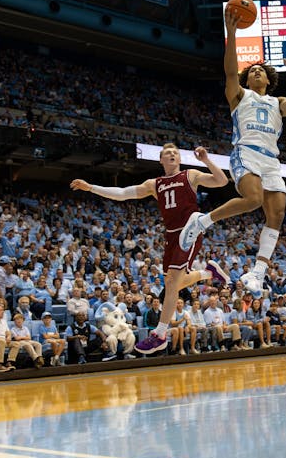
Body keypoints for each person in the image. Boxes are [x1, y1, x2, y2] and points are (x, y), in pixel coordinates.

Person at [178, 7, 286, 296]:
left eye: (261, 70)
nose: (256, 71)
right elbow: (230, 70)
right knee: (253, 199)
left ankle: (257, 273)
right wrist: (231, 34)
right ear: (248, 80)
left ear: (269, 81)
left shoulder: (277, 102)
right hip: (246, 151)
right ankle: (202, 221)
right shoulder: (239, 95)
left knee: (278, 213)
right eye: (253, 71)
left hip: (271, 160)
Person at [70, 143, 230, 356]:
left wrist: (207, 161)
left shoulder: (190, 175)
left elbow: (222, 181)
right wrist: (92, 187)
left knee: (172, 282)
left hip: (190, 229)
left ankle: (160, 334)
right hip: (171, 235)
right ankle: (209, 273)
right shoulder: (154, 184)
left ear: (179, 159)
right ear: (161, 160)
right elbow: (122, 193)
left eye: (175, 153)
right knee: (175, 282)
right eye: (167, 153)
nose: (172, 154)